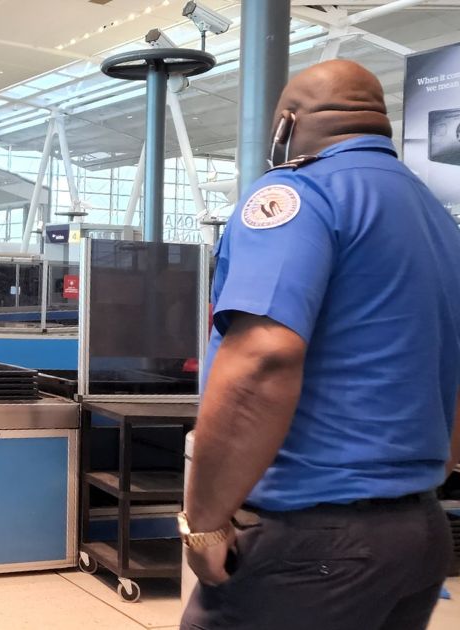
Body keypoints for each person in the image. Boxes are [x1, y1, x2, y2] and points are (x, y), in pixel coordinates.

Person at [180, 60, 460, 630]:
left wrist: (204, 523)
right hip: (420, 532)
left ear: (285, 124)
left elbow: (262, 360)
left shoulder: (297, 193)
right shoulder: (436, 216)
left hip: (315, 546)